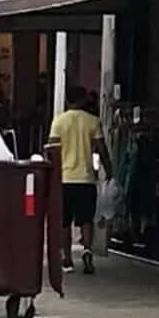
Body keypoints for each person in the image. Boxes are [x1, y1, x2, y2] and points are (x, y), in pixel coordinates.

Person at [48, 85, 112, 275]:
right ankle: (87, 250)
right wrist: (109, 170)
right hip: (86, 179)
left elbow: (52, 150)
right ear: (83, 99)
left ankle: (67, 259)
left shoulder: (58, 121)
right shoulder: (92, 121)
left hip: (64, 180)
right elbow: (102, 149)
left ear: (67, 101)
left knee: (64, 222)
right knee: (86, 219)